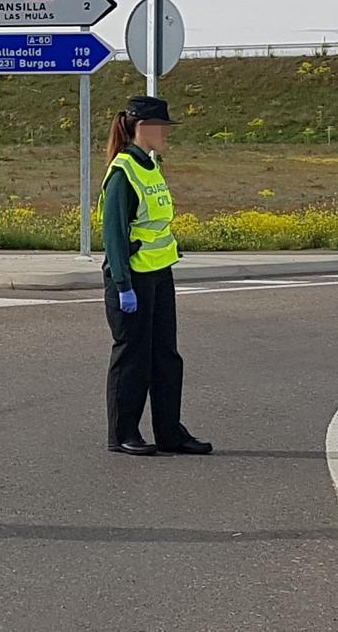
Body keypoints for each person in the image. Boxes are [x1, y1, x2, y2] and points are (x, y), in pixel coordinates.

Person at [99, 95, 211, 457]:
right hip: (132, 279)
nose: (167, 134)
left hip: (159, 274)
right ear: (142, 128)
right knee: (132, 358)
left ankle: (169, 432)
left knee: (165, 356)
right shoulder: (123, 172)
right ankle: (123, 433)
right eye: (162, 127)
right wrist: (122, 285)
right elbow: (114, 235)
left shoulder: (150, 165)